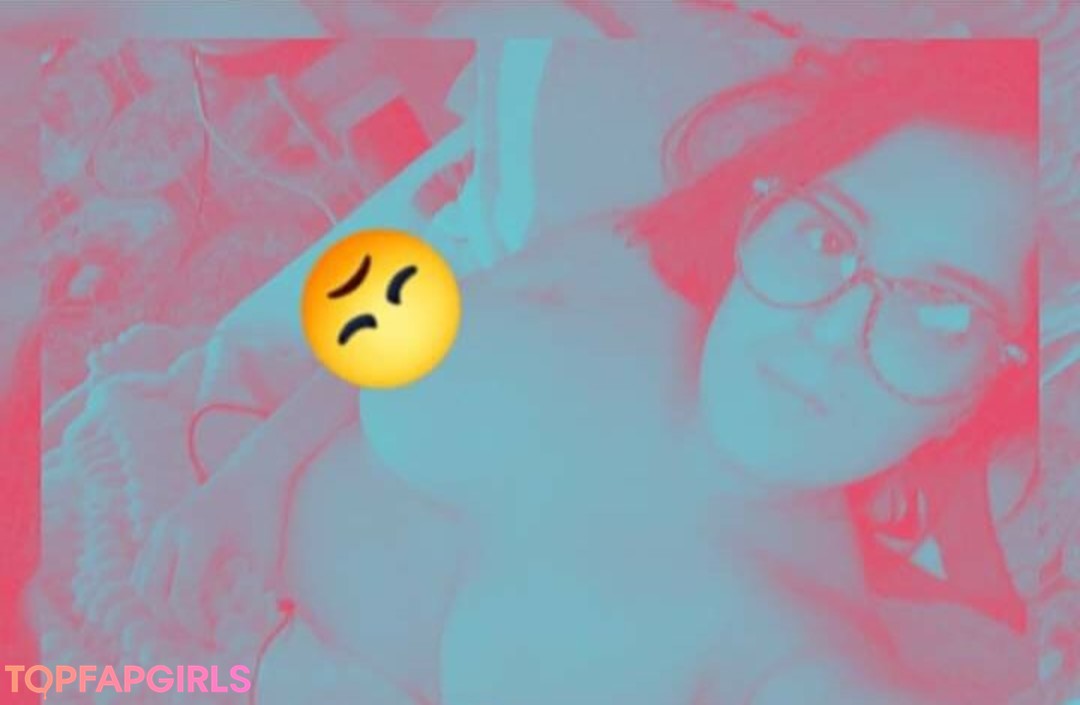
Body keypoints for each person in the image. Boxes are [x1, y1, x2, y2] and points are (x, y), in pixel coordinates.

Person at [132, 40, 1040, 704]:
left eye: (942, 310)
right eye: (832, 236)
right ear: (766, 214)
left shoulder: (795, 648)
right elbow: (396, 328)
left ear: (976, 399)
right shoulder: (626, 260)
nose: (834, 330)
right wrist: (244, 482)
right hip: (168, 534)